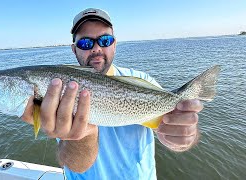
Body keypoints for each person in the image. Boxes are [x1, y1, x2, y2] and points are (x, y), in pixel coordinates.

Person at [21, 8, 202, 180]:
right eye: (85, 43)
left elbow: (174, 132)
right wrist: (81, 136)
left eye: (105, 40)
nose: (96, 48)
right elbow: (76, 164)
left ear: (114, 44)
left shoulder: (143, 80)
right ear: (74, 49)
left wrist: (183, 137)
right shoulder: (61, 88)